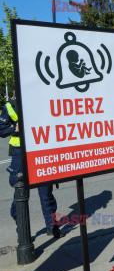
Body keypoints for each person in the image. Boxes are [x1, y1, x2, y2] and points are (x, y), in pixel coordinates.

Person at [0, 99, 65, 238]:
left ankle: (52, 227)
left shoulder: (41, 98)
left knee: (46, 192)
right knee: (20, 193)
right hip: (20, 153)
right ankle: (23, 233)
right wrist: (15, 129)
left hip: (40, 149)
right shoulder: (10, 106)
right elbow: (1, 129)